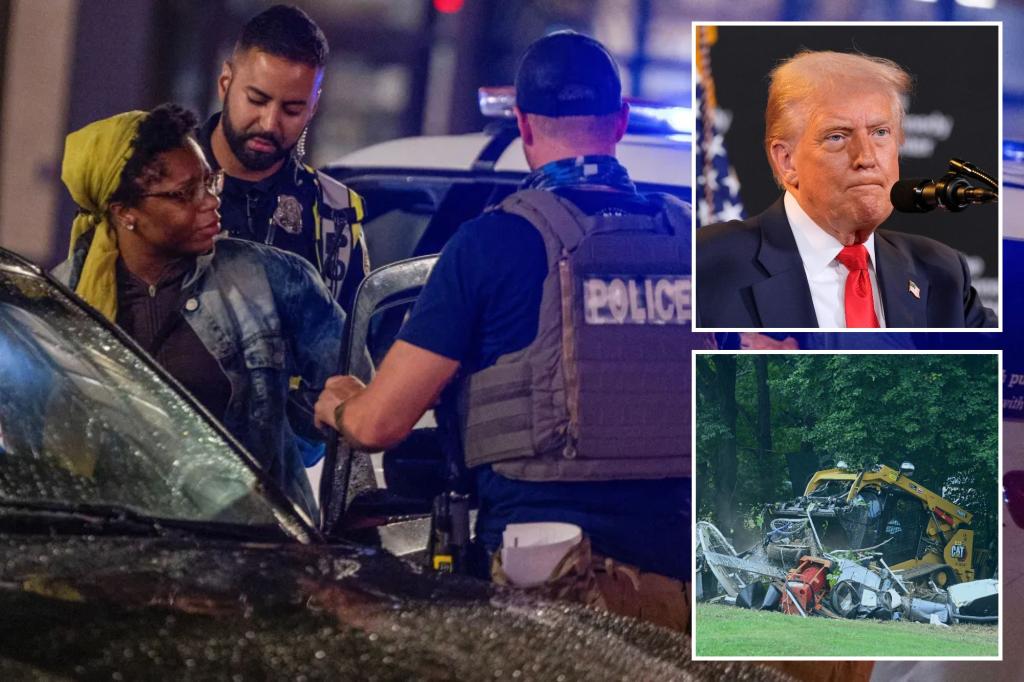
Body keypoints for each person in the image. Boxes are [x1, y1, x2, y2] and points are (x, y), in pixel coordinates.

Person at [315, 31, 700, 633]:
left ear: (523, 125)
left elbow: (380, 424)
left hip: (555, 593)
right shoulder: (693, 244)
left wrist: (339, 406)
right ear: (620, 120)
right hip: (686, 591)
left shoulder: (490, 245)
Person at [55, 103, 346, 519]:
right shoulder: (62, 300)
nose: (211, 203)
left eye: (209, 183)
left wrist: (281, 455)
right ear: (126, 212)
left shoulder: (270, 277)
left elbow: (348, 388)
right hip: (112, 547)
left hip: (249, 546)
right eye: (184, 193)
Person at [695, 50, 996, 329]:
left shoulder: (942, 273)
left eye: (880, 132)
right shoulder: (707, 265)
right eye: (837, 137)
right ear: (786, 161)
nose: (866, 157)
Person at [198, 4, 368, 309]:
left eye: (292, 110)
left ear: (313, 107)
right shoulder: (159, 182)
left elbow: (351, 346)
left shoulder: (335, 214)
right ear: (225, 84)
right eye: (257, 100)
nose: (269, 123)